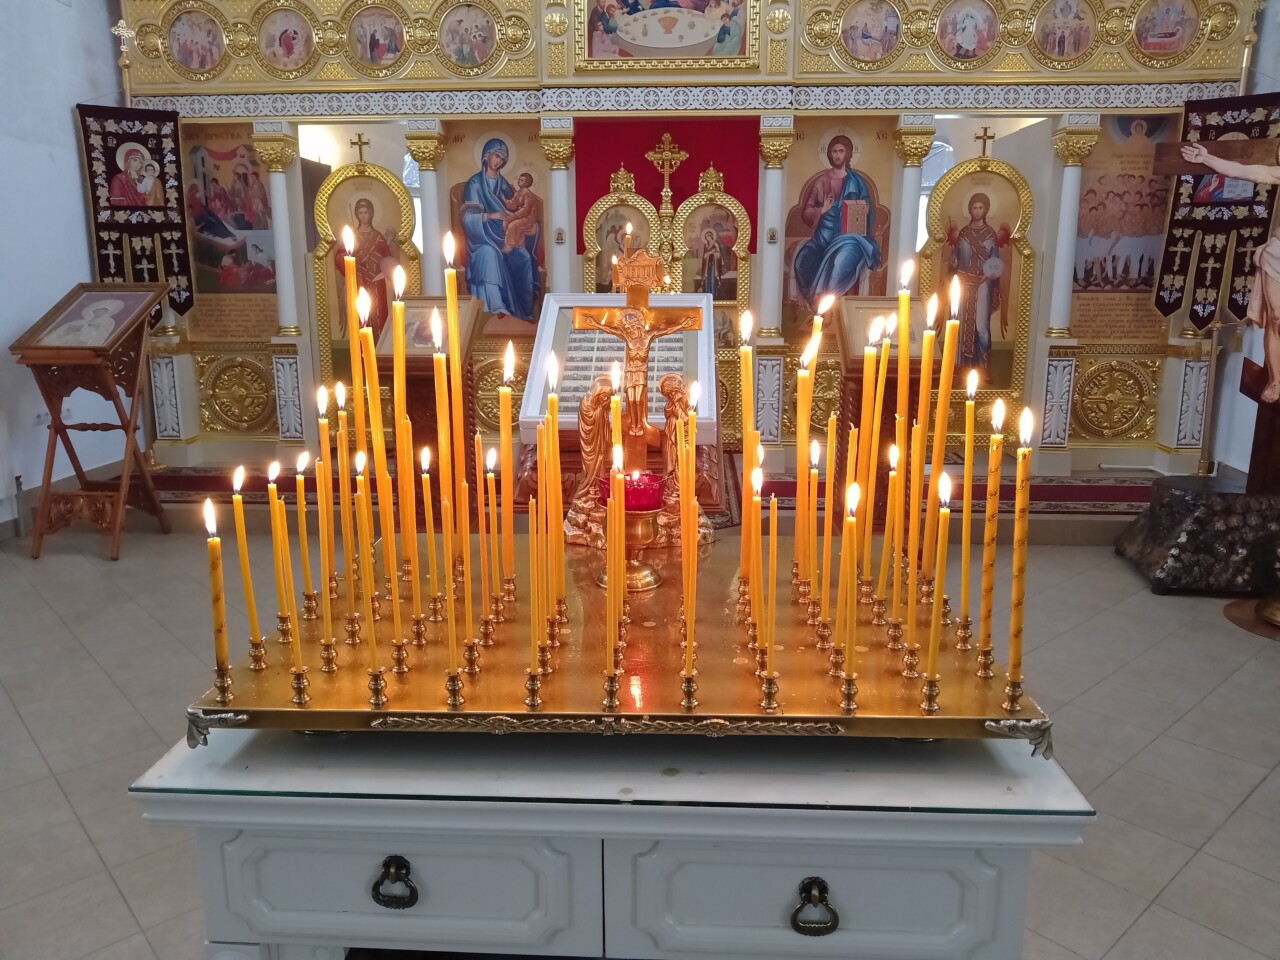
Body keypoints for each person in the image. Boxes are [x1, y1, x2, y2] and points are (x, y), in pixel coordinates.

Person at [1183, 141, 1280, 400]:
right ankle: (1276, 379)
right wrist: (1206, 158)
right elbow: (1243, 171)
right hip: (1278, 254)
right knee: (1277, 317)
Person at [791, 134, 881, 312]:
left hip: (849, 237)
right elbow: (807, 212)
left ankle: (828, 307)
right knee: (801, 261)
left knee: (840, 262)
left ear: (848, 154)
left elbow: (868, 211)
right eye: (834, 151)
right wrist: (822, 210)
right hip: (822, 238)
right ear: (830, 155)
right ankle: (816, 307)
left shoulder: (856, 182)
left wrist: (859, 210)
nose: (838, 155)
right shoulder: (821, 182)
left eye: (841, 151)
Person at [460, 138, 539, 321]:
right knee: (490, 253)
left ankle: (524, 311)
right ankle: (496, 305)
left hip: (504, 234)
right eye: (496, 156)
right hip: (481, 238)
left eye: (502, 159)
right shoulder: (474, 184)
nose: (498, 161)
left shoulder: (503, 184)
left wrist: (525, 223)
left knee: (524, 258)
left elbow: (515, 207)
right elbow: (467, 218)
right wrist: (489, 216)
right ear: (486, 155)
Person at [946, 192, 1009, 379]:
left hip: (982, 284)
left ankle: (984, 365)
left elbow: (995, 262)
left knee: (981, 326)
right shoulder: (964, 233)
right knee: (960, 324)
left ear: (986, 210)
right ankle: (959, 366)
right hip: (964, 282)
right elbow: (956, 257)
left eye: (981, 207)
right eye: (974, 207)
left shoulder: (990, 234)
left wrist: (989, 275)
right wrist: (954, 261)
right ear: (970, 209)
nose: (977, 211)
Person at [332, 197, 397, 339]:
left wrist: (384, 271)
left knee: (379, 316)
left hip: (377, 283)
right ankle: (363, 346)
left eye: (366, 212)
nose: (363, 216)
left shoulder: (377, 236)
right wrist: (350, 253)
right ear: (357, 215)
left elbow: (388, 258)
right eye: (360, 212)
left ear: (371, 214)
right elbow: (339, 258)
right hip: (359, 281)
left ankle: (379, 345)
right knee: (362, 317)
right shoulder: (353, 236)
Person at [500, 172, 541, 253]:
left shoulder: (528, 195)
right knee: (505, 221)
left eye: (522, 180)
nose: (519, 181)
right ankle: (509, 243)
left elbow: (525, 210)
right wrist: (504, 199)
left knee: (513, 225)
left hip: (529, 218)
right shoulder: (518, 193)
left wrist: (513, 215)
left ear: (527, 183)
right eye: (519, 179)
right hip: (520, 216)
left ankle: (510, 245)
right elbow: (512, 204)